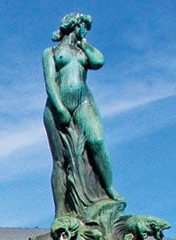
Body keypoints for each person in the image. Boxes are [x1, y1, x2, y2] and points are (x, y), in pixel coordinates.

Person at [43, 12, 122, 218]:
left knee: (97, 142)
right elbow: (50, 82)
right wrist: (59, 108)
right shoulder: (51, 52)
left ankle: (109, 187)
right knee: (60, 161)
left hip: (83, 101)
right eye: (84, 26)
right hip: (56, 104)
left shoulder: (83, 52)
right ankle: (60, 209)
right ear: (74, 26)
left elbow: (99, 61)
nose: (86, 30)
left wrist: (84, 43)